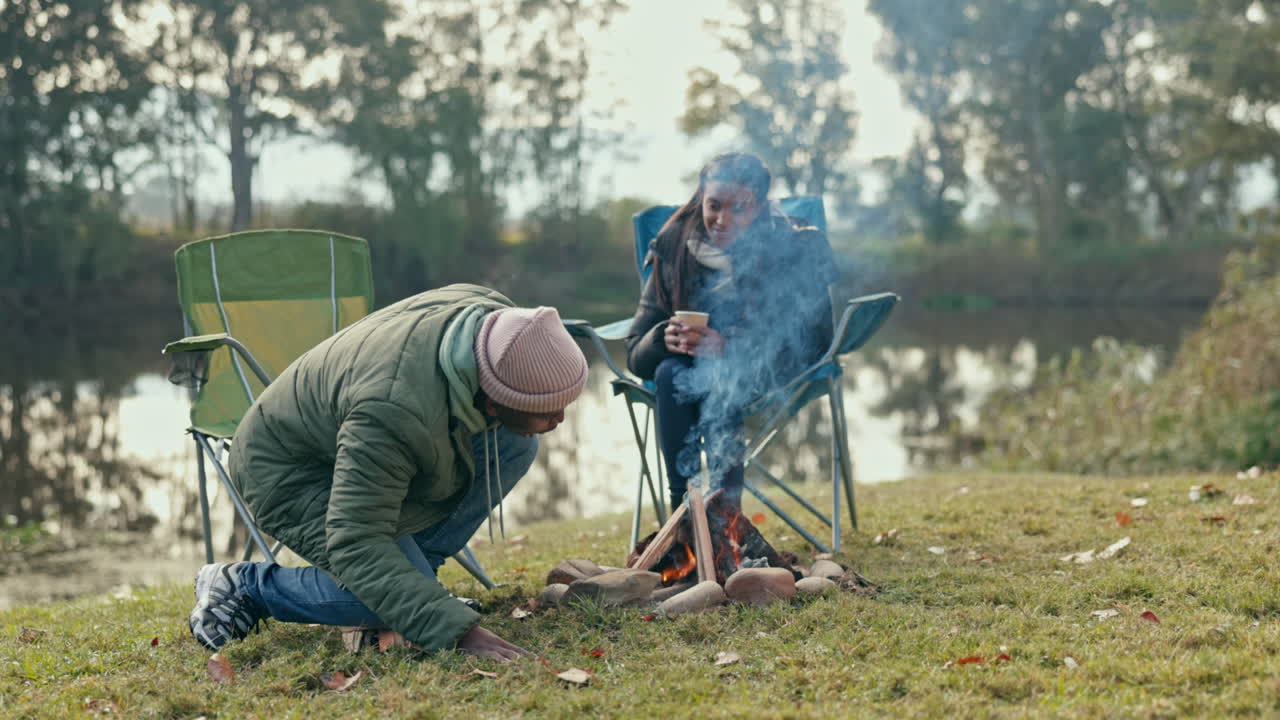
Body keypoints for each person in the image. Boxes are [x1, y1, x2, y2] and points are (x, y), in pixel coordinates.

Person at [187, 284, 588, 661]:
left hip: (358, 446)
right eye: (547, 411)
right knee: (372, 594)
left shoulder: (496, 323)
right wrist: (456, 632)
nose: (560, 419)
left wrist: (418, 596)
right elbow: (356, 542)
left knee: (515, 443)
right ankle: (245, 585)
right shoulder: (392, 410)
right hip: (287, 469)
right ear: (495, 403)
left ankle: (417, 581)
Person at [624, 152, 837, 512]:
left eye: (740, 208)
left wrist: (734, 349)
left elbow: (816, 340)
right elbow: (635, 354)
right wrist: (663, 338)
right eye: (714, 206)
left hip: (763, 377)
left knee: (722, 373)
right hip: (683, 381)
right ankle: (685, 510)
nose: (722, 220)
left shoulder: (794, 247)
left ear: (760, 207)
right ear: (700, 200)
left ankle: (724, 513)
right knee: (669, 371)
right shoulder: (674, 246)